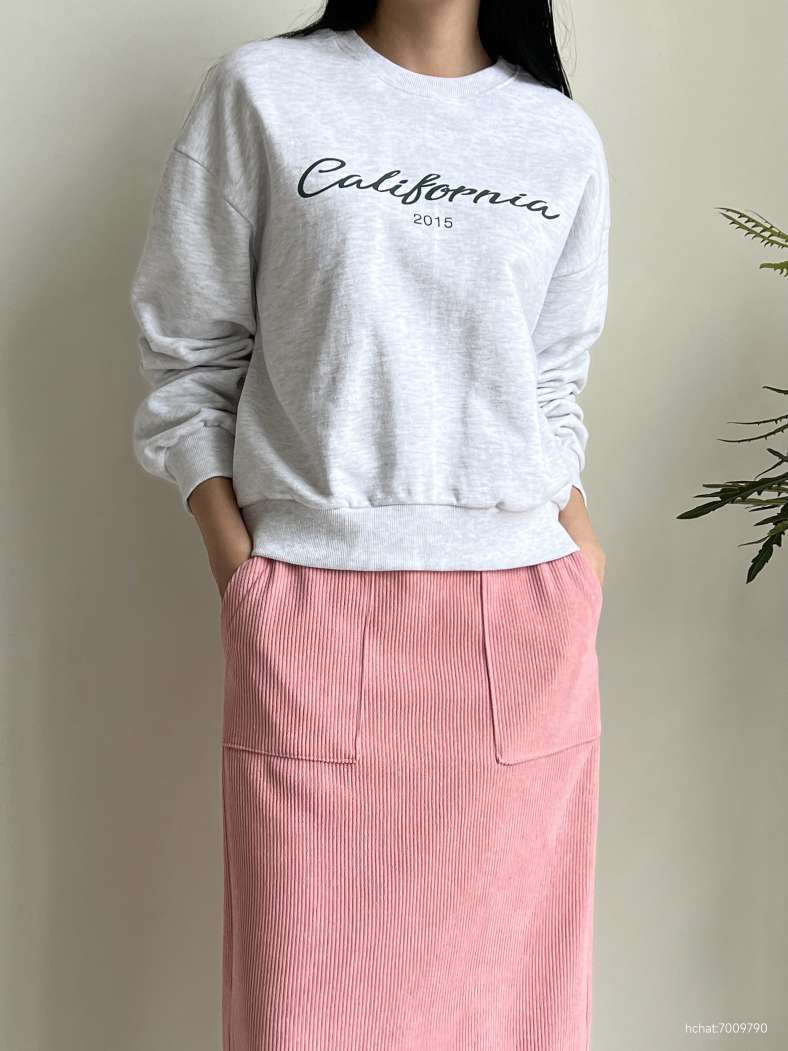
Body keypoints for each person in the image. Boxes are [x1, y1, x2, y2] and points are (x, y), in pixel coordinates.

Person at [129, 1, 611, 1047]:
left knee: (512, 1011)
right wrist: (241, 566)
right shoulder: (264, 92)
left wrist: (579, 556)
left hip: (521, 618)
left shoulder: (556, 133)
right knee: (305, 1005)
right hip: (313, 607)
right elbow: (188, 352)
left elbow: (551, 379)